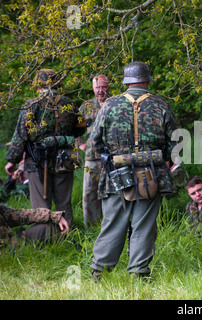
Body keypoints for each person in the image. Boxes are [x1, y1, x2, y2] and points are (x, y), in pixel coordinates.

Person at [89, 62, 178, 280]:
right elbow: (177, 143)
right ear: (147, 80)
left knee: (112, 224)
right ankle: (139, 274)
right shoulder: (161, 105)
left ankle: (99, 271)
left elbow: (94, 143)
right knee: (144, 225)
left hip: (116, 175)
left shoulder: (109, 105)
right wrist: (162, 158)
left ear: (126, 81)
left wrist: (113, 158)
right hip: (151, 175)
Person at [5, 69, 80, 227]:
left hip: (37, 162)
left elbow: (21, 135)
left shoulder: (32, 105)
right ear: (58, 83)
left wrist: (12, 160)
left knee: (40, 205)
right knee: (64, 202)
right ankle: (67, 237)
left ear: (38, 85)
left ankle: (43, 238)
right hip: (64, 159)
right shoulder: (69, 103)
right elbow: (79, 129)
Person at [78, 74, 110, 228]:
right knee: (90, 193)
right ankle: (91, 227)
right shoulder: (87, 106)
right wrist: (80, 144)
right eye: (97, 87)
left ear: (108, 87)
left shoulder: (115, 103)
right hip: (92, 156)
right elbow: (73, 127)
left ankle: (112, 224)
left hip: (113, 156)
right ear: (93, 88)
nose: (101, 90)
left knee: (113, 192)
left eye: (104, 87)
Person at [1, 204, 69, 247]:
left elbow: (24, 215)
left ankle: (71, 247)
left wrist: (54, 216)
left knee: (47, 227)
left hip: (13, 242)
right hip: (6, 253)